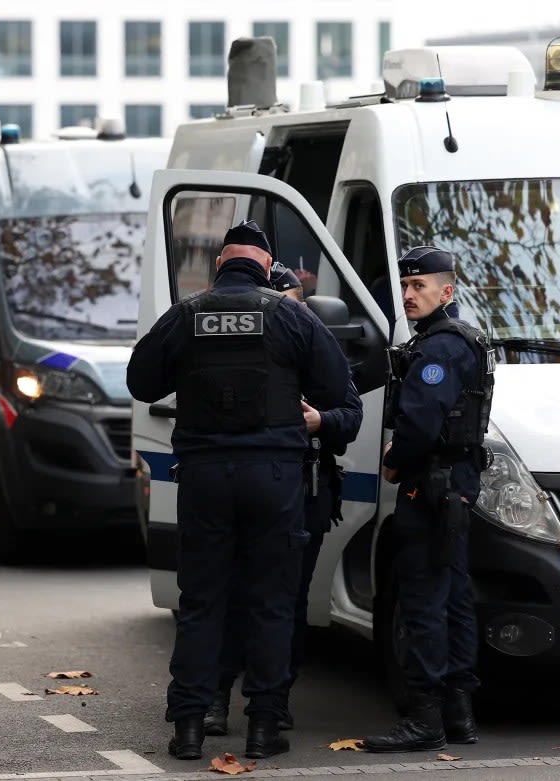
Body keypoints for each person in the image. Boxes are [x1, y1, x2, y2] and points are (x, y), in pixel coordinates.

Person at [126, 220, 351, 761]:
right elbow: (345, 407)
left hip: (204, 480)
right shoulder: (293, 316)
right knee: (271, 601)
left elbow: (140, 382)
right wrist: (320, 420)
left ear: (219, 266)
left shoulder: (186, 316)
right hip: (274, 480)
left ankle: (188, 727)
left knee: (203, 601)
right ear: (268, 267)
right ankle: (264, 726)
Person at [204, 262, 364, 737]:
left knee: (286, 601)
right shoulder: (230, 357)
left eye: (294, 306)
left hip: (304, 488)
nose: (292, 318)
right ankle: (216, 695)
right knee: (230, 596)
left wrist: (321, 423)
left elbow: (350, 414)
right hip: (240, 490)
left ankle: (272, 699)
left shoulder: (319, 353)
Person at [362, 246, 494, 753]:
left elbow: (419, 422)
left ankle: (425, 719)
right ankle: (459, 714)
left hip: (430, 486)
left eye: (420, 286)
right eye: (406, 286)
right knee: (455, 599)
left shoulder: (438, 348)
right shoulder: (464, 339)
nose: (410, 295)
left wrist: (397, 457)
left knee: (423, 603)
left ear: (448, 291)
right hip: (454, 485)